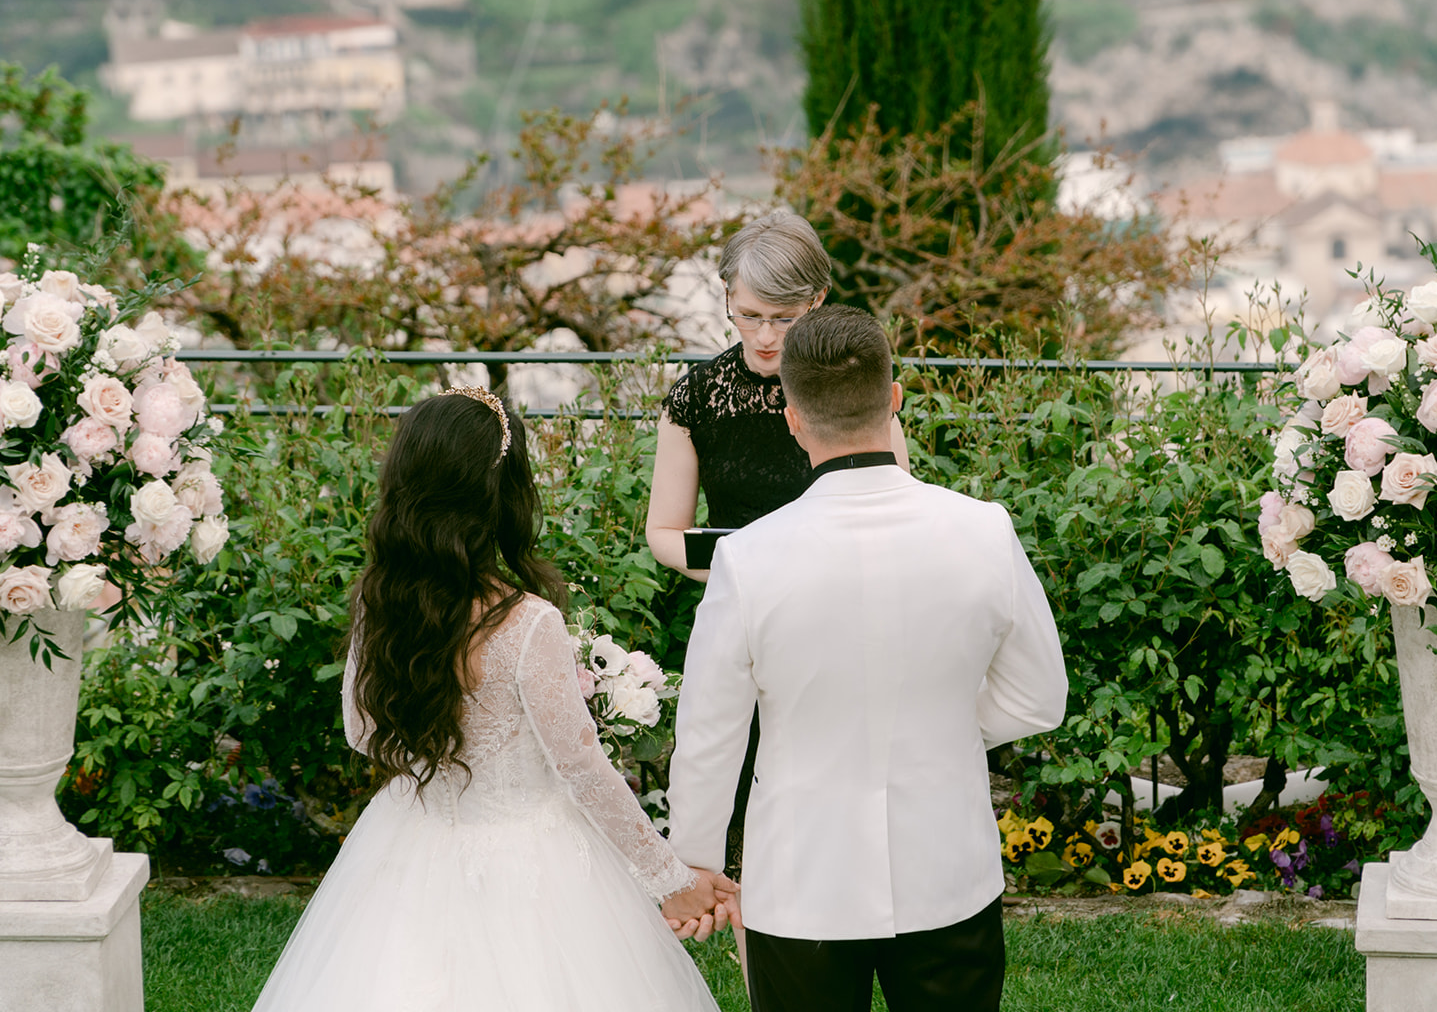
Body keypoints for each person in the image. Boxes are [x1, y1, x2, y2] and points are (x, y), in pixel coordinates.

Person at [252, 388, 734, 1012]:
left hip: (413, 836)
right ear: (502, 494)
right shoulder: (528, 623)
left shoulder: (383, 603)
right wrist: (671, 880)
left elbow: (361, 733)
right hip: (530, 858)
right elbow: (582, 769)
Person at [667, 307, 1069, 1012]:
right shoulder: (984, 531)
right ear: (894, 400)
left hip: (800, 881)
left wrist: (697, 859)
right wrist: (942, 727)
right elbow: (1040, 697)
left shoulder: (748, 558)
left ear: (792, 418)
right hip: (949, 870)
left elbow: (709, 732)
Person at [646, 209, 909, 581]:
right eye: (749, 315)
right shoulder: (696, 397)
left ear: (816, 299)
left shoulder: (852, 379)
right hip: (738, 597)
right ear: (727, 294)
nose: (764, 337)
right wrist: (749, 573)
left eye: (784, 318)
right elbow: (663, 532)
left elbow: (897, 508)